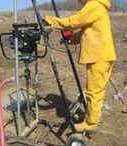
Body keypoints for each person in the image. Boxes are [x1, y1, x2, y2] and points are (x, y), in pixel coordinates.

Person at [44, 0, 116, 132]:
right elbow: (86, 31)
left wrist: (52, 21)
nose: (78, 1)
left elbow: (74, 22)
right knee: (96, 90)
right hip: (102, 55)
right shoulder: (97, 7)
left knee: (94, 91)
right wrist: (70, 39)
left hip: (99, 56)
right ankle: (91, 116)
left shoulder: (93, 5)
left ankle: (90, 123)